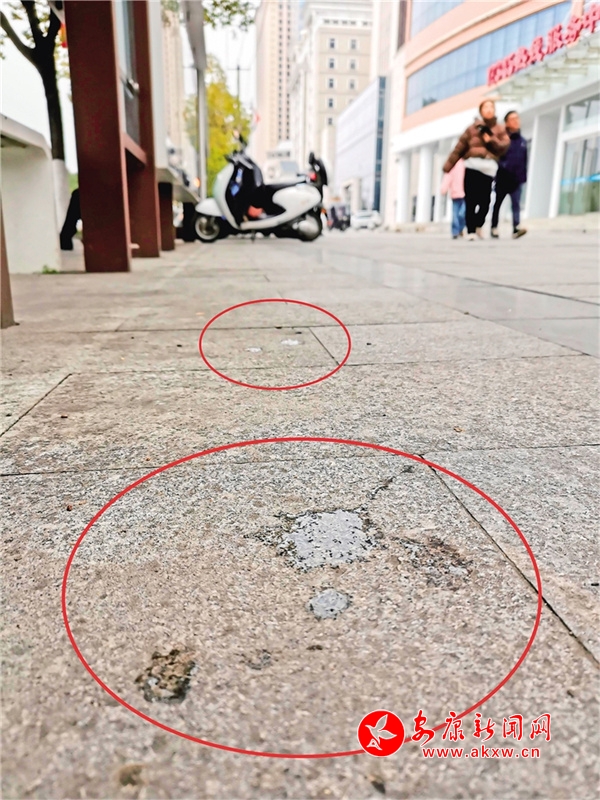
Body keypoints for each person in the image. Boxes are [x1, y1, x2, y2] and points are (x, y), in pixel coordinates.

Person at [443, 100, 509, 240]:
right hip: (472, 167)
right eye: (486, 107)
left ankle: (479, 224)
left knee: (485, 202)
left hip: (488, 169)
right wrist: (448, 166)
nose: (489, 109)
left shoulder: (499, 129)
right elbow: (459, 148)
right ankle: (471, 231)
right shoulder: (471, 129)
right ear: (481, 110)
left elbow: (504, 147)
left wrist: (491, 139)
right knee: (471, 200)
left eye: (491, 107)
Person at [491, 110, 528, 239]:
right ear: (506, 123)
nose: (516, 121)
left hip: (516, 179)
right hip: (503, 178)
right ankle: (494, 227)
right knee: (498, 204)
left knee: (516, 204)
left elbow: (524, 160)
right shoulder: (502, 139)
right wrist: (503, 167)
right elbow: (496, 156)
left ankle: (516, 228)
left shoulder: (523, 141)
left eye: (517, 118)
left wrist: (523, 176)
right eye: (512, 119)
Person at [440, 160, 466, 239]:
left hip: (465, 193)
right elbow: (447, 177)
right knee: (455, 214)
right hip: (455, 193)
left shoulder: (466, 163)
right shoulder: (453, 164)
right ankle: (455, 231)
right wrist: (443, 189)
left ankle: (460, 228)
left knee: (463, 213)